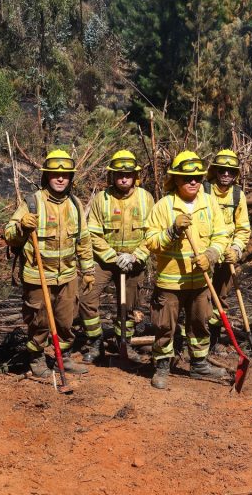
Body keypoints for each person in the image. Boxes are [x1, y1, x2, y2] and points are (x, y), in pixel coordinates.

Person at [144, 150, 231, 389]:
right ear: (176, 179)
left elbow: (221, 235)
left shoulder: (209, 202)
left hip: (200, 280)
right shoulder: (164, 206)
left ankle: (199, 363)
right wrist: (172, 231)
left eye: (197, 178)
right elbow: (151, 242)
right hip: (170, 282)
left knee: (200, 321)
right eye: (186, 178)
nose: (193, 182)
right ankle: (162, 365)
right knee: (164, 326)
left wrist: (211, 255)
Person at [4, 149, 95, 378]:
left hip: (67, 277)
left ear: (71, 178)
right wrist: (22, 226)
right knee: (40, 322)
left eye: (65, 175)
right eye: (55, 174)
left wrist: (88, 270)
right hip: (38, 276)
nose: (60, 178)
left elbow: (83, 240)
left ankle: (62, 359)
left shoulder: (74, 204)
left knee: (65, 322)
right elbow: (9, 235)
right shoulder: (33, 203)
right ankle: (35, 359)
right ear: (46, 176)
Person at [78, 150, 155, 363]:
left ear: (135, 176)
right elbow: (92, 232)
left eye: (128, 174)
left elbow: (153, 233)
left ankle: (125, 343)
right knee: (85, 297)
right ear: (112, 176)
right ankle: (95, 343)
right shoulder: (101, 199)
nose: (123, 178)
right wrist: (112, 256)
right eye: (119, 174)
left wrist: (136, 256)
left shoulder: (145, 198)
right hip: (104, 261)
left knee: (129, 307)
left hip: (134, 263)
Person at [203, 149, 251, 353]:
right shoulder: (204, 190)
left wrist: (237, 248)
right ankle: (196, 338)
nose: (226, 174)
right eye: (222, 170)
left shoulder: (238, 195)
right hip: (204, 254)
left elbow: (243, 228)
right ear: (215, 171)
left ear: (235, 174)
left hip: (226, 257)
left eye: (230, 171)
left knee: (219, 299)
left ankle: (213, 339)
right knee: (200, 298)